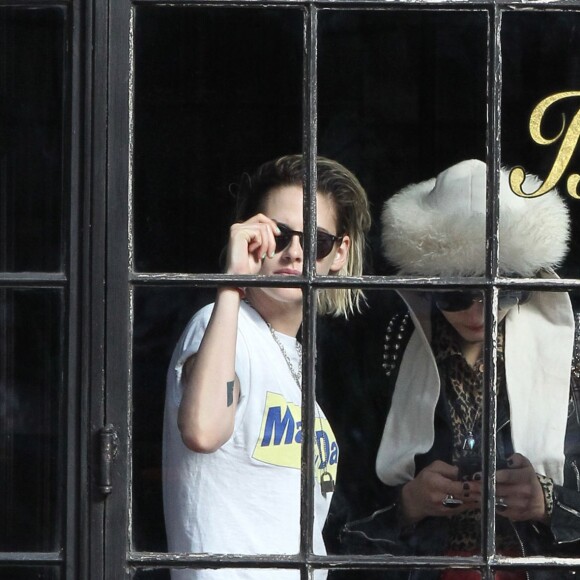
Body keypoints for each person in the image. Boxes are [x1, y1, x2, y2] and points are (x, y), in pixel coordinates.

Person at [343, 159, 580, 578]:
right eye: (454, 292)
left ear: (528, 280)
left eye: (502, 291)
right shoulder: (389, 346)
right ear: (427, 283)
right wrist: (407, 504)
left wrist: (551, 504)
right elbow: (334, 503)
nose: (479, 312)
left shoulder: (569, 349)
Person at [162, 154, 371, 579]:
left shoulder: (291, 356)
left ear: (339, 253)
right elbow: (203, 429)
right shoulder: (222, 326)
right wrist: (232, 283)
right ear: (252, 236)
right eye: (279, 235)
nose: (294, 253)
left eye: (316, 242)